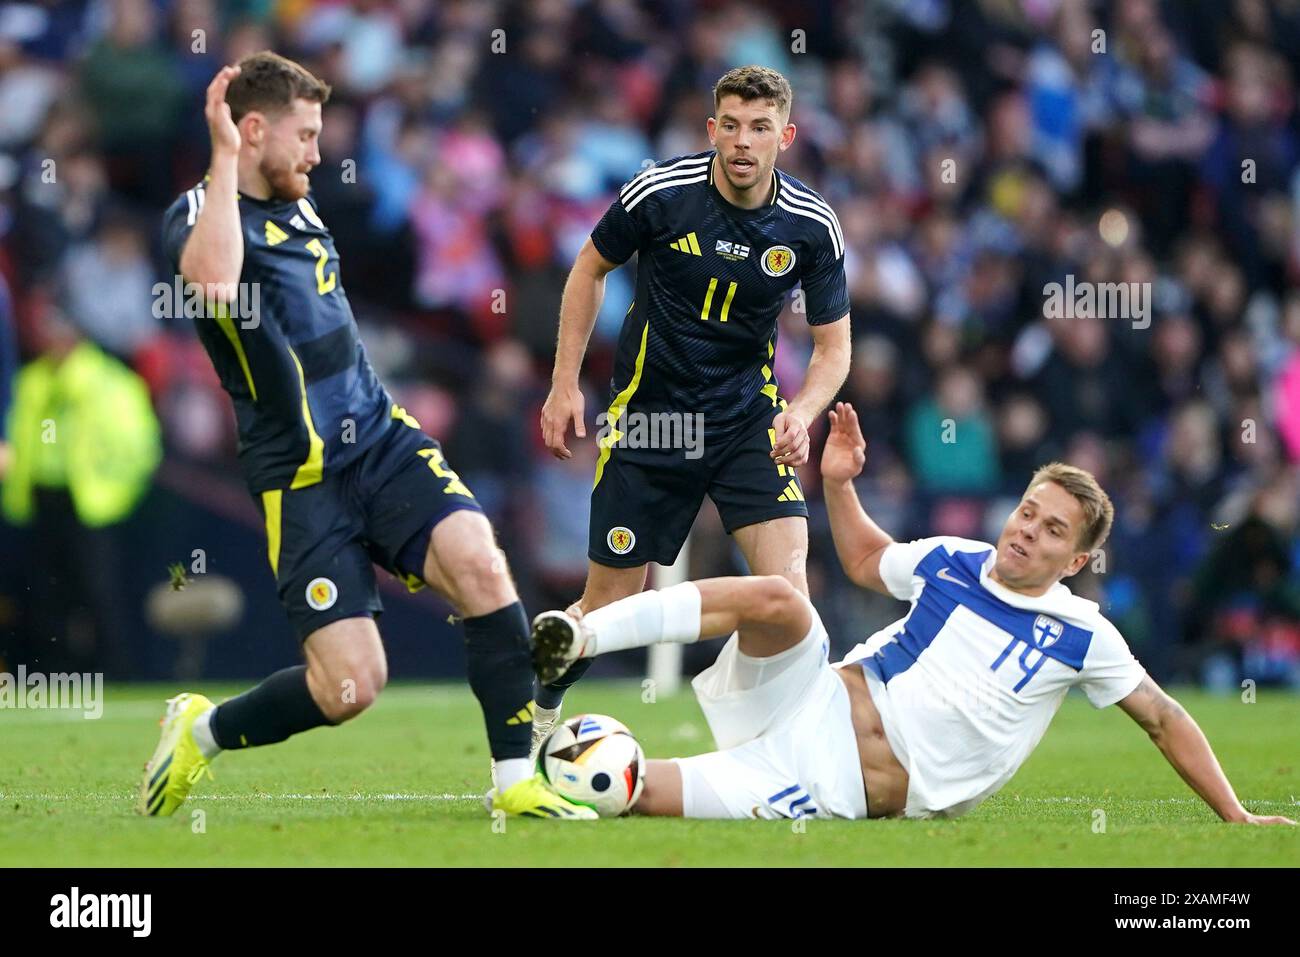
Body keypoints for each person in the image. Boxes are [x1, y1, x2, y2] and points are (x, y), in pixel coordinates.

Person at [141, 52, 592, 820]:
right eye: (305, 134)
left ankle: (515, 778)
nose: (318, 153)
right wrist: (221, 157)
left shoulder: (306, 201)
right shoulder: (198, 214)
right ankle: (203, 729)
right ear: (252, 132)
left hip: (382, 441)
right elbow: (214, 285)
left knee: (482, 565)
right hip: (300, 474)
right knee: (349, 686)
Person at [530, 403, 1296, 825]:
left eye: (1052, 529)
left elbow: (1164, 717)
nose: (1027, 529)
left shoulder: (1083, 634)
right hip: (812, 697)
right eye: (1028, 511)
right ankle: (585, 631)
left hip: (832, 786)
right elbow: (866, 558)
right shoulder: (957, 559)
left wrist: (1234, 814)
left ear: (1075, 562)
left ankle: (544, 769)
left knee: (628, 793)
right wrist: (839, 484)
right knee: (782, 599)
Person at [535, 65, 851, 746]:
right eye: (730, 125)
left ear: (785, 136)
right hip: (651, 420)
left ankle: (784, 750)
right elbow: (589, 267)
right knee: (606, 608)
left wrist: (801, 412)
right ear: (712, 130)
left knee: (789, 593)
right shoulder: (660, 193)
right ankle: (537, 716)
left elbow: (833, 350)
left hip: (747, 423)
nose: (742, 140)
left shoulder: (811, 224)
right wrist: (565, 382)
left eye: (759, 127)